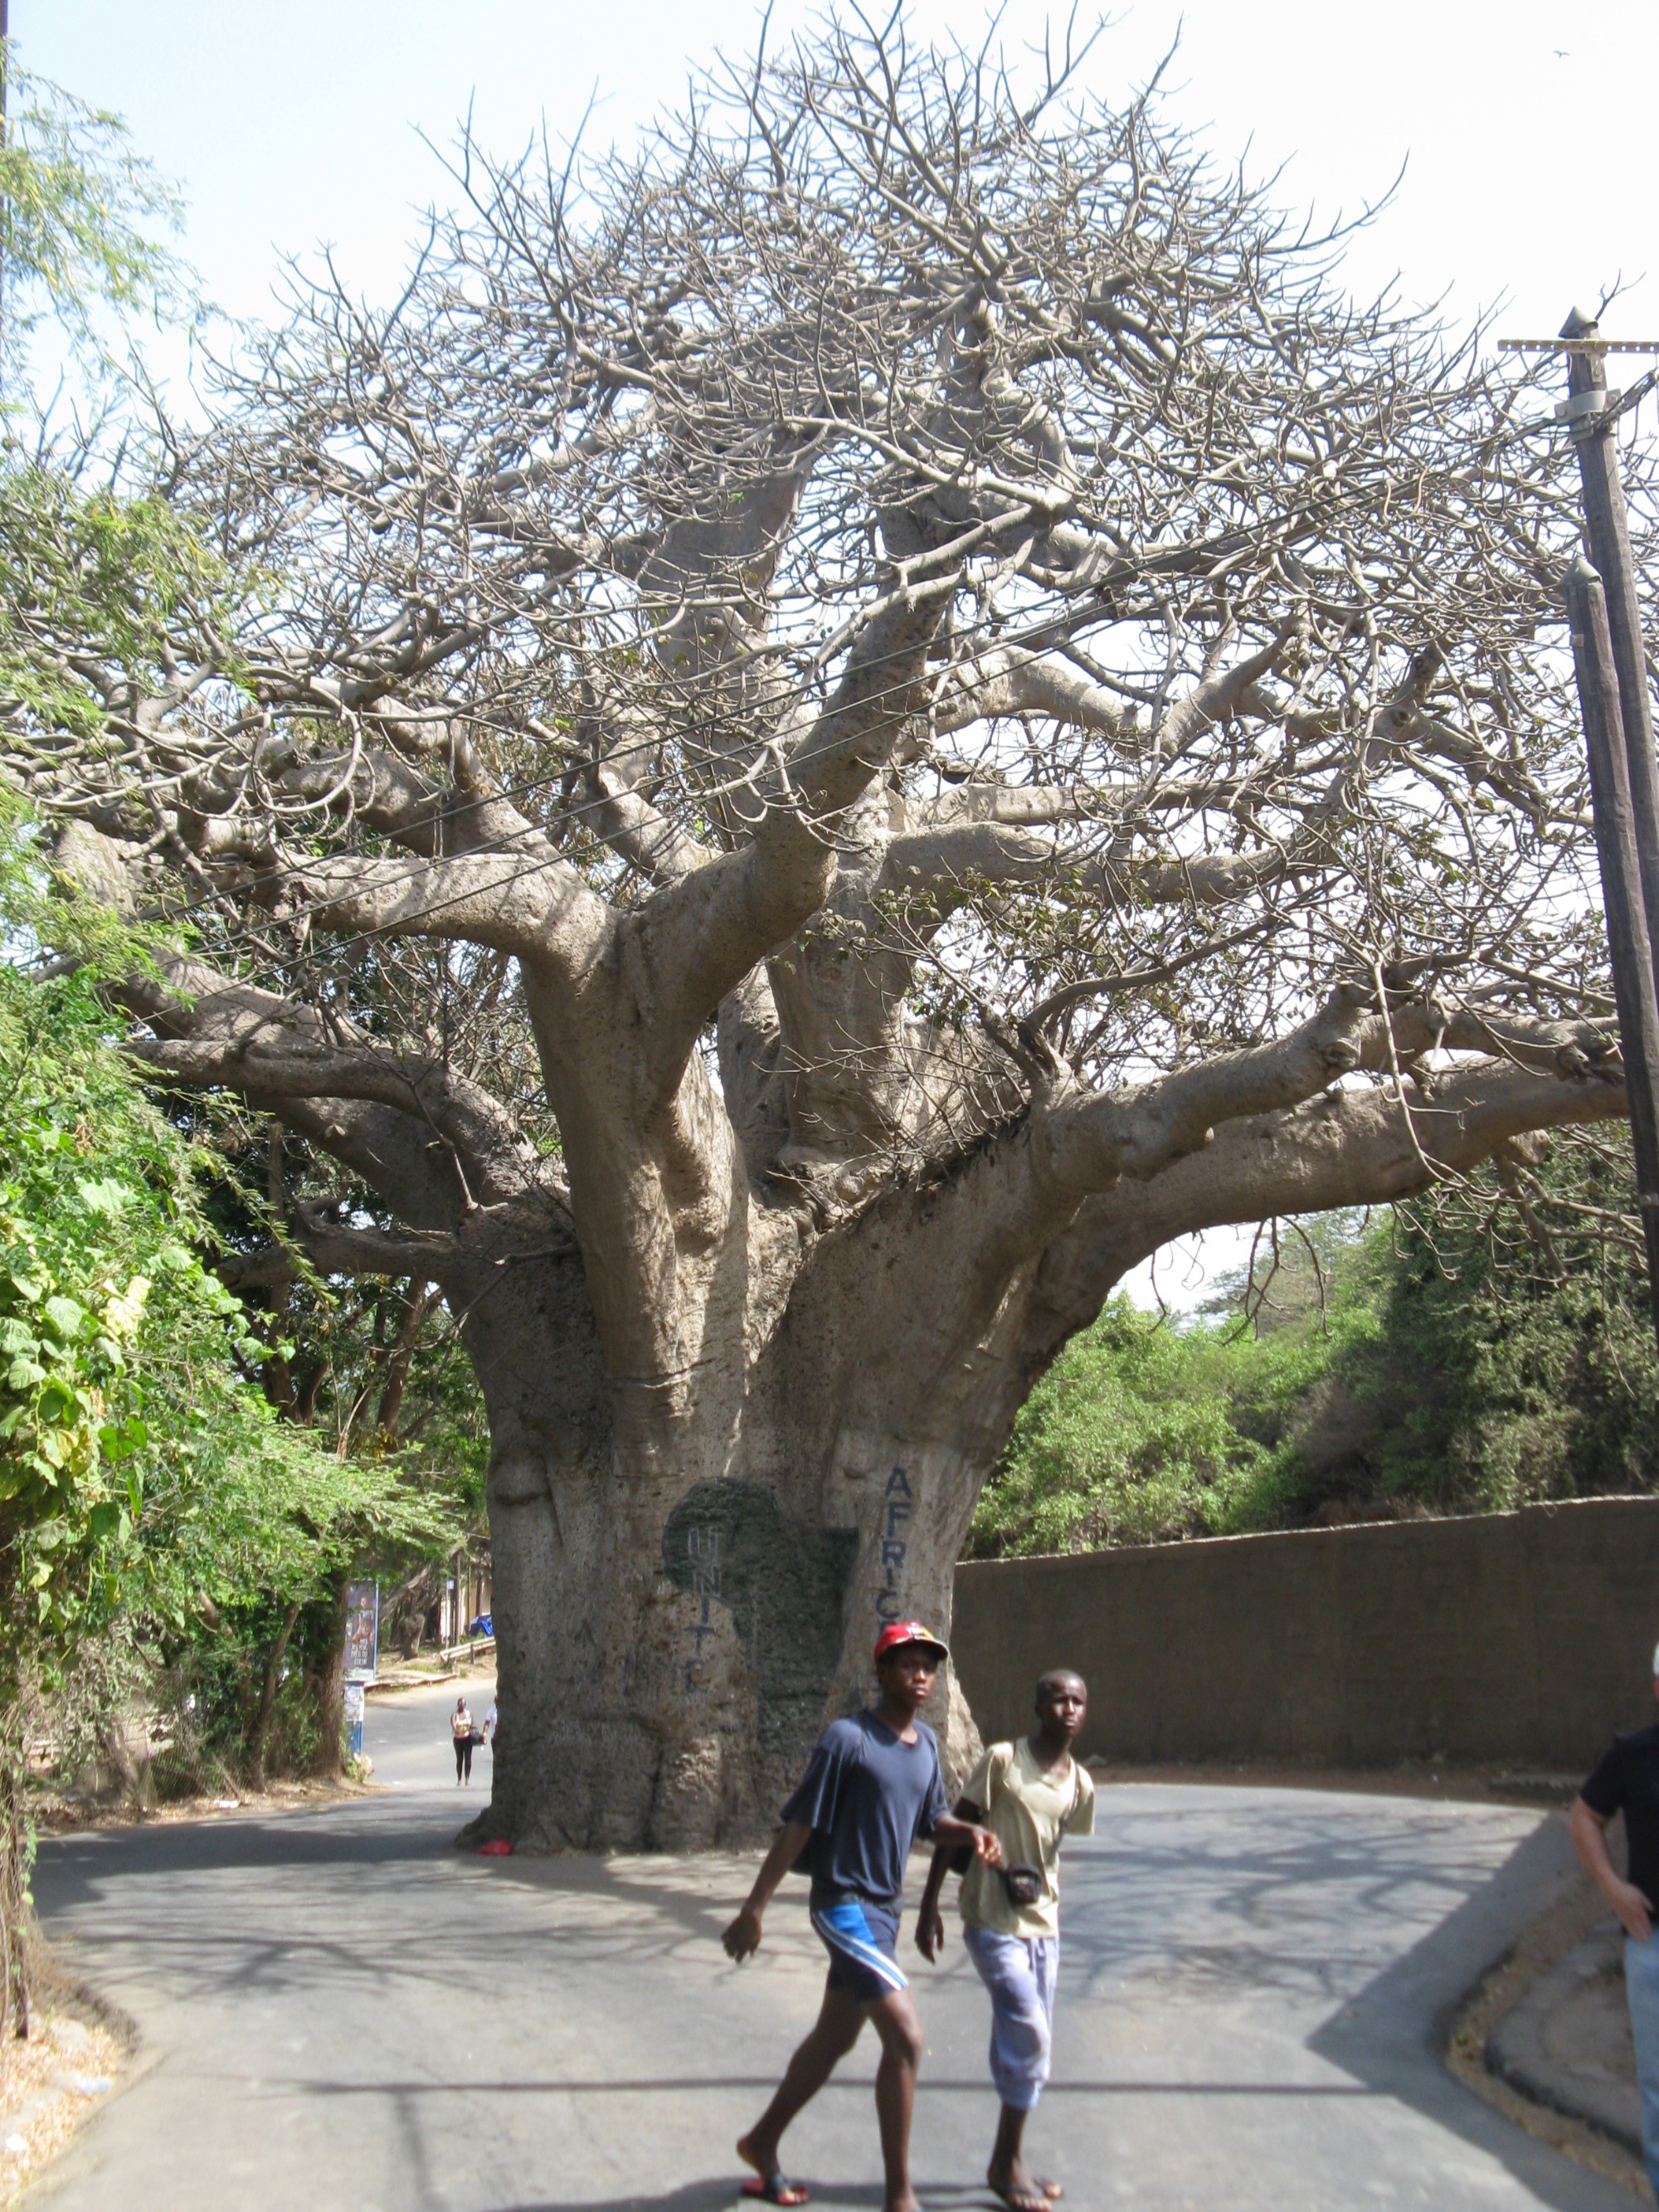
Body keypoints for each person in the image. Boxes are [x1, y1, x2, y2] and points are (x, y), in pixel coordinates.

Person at [722, 1621, 1003, 2212]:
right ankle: (900, 2194)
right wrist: (754, 1908)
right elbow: (801, 1826)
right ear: (881, 1672)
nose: (919, 1674)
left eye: (928, 1664)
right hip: (841, 1902)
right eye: (906, 1663)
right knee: (906, 2038)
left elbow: (932, 1823)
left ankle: (761, 2141)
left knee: (835, 2037)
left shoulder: (926, 1746)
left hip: (883, 1912)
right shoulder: (848, 1739)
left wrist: (972, 1831)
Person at [917, 1669, 1094, 2212]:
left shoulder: (1081, 1785)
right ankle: (1004, 2163)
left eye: (1077, 1702)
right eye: (1057, 1700)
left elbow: (1050, 1850)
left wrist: (1031, 1879)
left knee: (1027, 2043)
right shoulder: (1001, 1761)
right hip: (991, 1919)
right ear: (1038, 1708)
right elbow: (955, 1827)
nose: (1068, 1709)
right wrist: (928, 1908)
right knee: (1030, 2031)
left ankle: (1007, 2161)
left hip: (1044, 1925)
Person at [1571, 1640, 1659, 2201]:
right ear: (1656, 1686)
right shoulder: (1632, 1754)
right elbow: (1584, 1817)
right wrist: (1613, 1889)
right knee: (1657, 2087)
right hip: (1653, 1945)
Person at [450, 1695, 474, 1785]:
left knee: (468, 1759)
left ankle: (467, 1779)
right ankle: (459, 1779)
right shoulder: (455, 1715)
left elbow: (473, 1725)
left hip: (467, 1738)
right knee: (459, 1759)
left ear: (465, 1705)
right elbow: (454, 1726)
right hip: (458, 1739)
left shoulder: (469, 1714)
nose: (461, 1706)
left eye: (463, 1704)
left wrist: (468, 1728)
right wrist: (459, 1729)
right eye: (460, 1704)